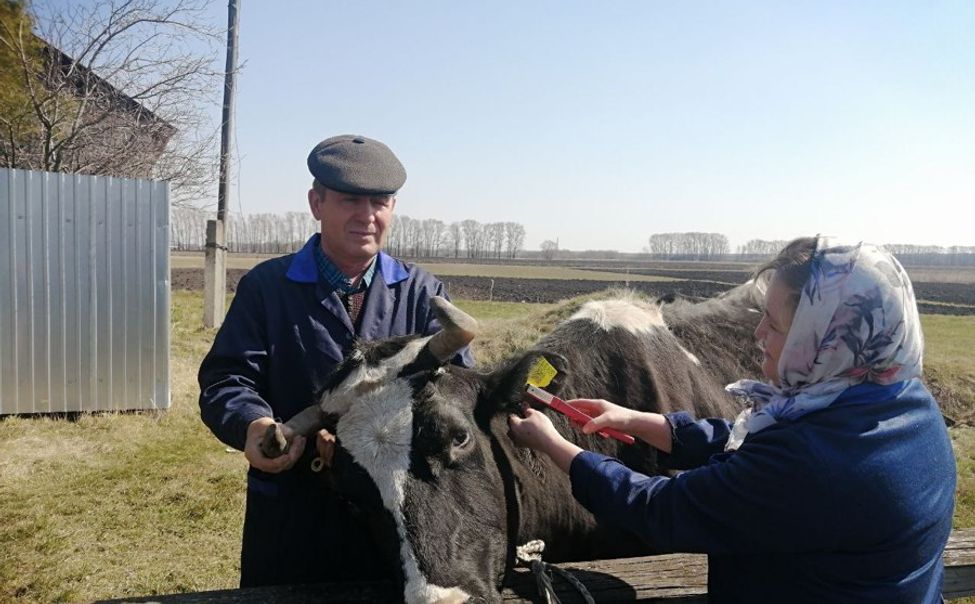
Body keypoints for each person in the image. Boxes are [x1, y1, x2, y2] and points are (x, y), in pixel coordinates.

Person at [508, 236, 955, 604]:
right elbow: (754, 443)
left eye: (775, 325)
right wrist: (642, 421)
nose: (758, 335)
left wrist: (557, 447)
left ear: (827, 340)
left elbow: (661, 509)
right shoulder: (902, 401)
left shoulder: (810, 463)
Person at [198, 134, 474, 587]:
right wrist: (254, 424)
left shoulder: (423, 293)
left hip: (396, 521)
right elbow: (227, 379)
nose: (367, 215)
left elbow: (458, 392)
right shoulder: (266, 288)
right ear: (316, 203)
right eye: (350, 200)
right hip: (295, 511)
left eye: (380, 202)